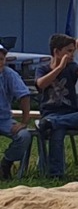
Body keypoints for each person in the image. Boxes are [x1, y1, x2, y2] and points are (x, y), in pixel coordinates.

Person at [34, 34, 78, 178]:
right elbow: (41, 84)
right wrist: (59, 67)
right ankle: (56, 174)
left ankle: (51, 124)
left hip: (70, 114)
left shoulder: (71, 67)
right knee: (58, 131)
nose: (71, 55)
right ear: (57, 52)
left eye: (73, 51)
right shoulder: (43, 69)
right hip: (51, 113)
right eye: (68, 51)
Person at [0, 42, 32, 180]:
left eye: (1, 59)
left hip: (4, 119)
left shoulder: (9, 75)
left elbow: (24, 96)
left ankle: (6, 163)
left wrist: (24, 122)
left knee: (24, 136)